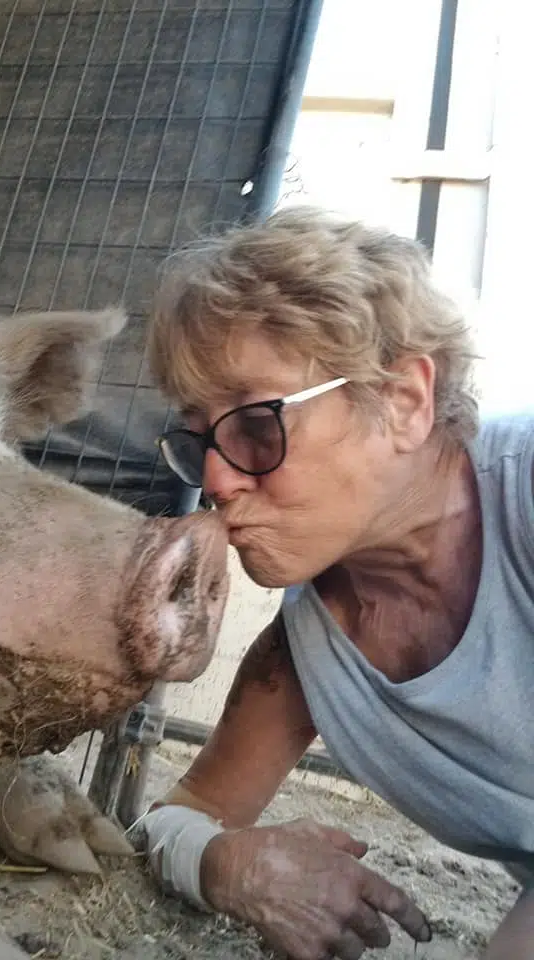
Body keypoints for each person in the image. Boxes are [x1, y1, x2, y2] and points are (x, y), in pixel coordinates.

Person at [131, 204, 534, 960]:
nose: (214, 480)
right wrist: (225, 863)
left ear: (406, 401)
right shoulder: (311, 653)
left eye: (257, 425)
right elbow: (177, 817)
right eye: (199, 438)